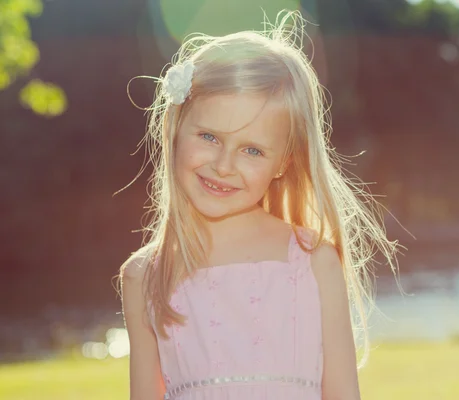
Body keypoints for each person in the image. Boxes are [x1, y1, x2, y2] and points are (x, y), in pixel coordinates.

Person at [118, 10, 400, 400]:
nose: (224, 165)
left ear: (283, 161)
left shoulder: (312, 260)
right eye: (209, 137)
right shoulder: (144, 276)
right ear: (174, 128)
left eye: (252, 149)